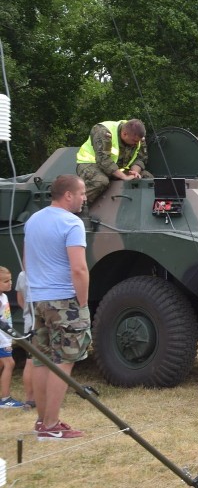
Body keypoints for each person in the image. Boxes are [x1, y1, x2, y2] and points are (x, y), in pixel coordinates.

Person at [24, 174, 91, 439]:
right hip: (64, 301)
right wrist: (83, 301)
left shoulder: (33, 220)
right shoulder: (71, 222)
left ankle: (43, 422)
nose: (85, 198)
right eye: (82, 193)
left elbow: (28, 260)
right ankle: (51, 426)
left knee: (42, 360)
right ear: (68, 195)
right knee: (64, 361)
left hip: (38, 299)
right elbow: (79, 268)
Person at [76, 118, 151, 203]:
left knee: (148, 179)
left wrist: (134, 172)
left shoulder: (137, 137)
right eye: (134, 141)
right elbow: (103, 159)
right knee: (100, 181)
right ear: (124, 134)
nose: (137, 143)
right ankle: (76, 206)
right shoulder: (103, 132)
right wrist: (124, 177)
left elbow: (140, 158)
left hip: (117, 168)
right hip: (91, 164)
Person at [0, 266, 24, 408]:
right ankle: (5, 399)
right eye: (5, 281)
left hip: (5, 337)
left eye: (10, 280)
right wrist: (5, 341)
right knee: (10, 363)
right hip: (1, 339)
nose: (10, 283)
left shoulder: (3, 296)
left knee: (3, 364)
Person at [15, 269, 36, 409]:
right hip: (42, 322)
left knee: (31, 361)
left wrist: (28, 312)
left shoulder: (22, 275)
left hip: (29, 321)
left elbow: (20, 299)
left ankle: (30, 398)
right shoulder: (44, 271)